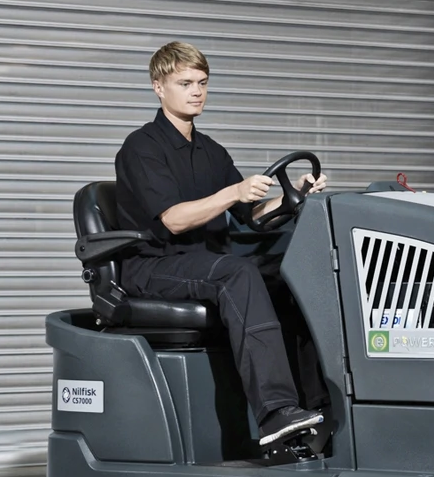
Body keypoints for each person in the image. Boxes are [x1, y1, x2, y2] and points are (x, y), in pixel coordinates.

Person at [114, 41, 329, 448]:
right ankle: (275, 412)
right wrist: (233, 192)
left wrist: (294, 195)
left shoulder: (211, 151)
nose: (196, 91)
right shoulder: (141, 148)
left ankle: (317, 407)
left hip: (204, 263)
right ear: (158, 87)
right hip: (154, 265)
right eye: (185, 83)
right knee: (238, 272)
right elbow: (174, 220)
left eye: (202, 82)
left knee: (292, 276)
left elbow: (252, 216)